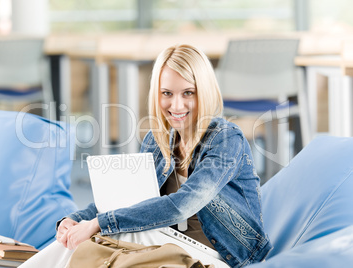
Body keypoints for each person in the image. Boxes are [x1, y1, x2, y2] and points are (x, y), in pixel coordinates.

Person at [20, 44, 272, 268]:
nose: (176, 106)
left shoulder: (226, 139)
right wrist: (75, 220)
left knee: (116, 232)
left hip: (227, 255)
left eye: (188, 93)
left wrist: (98, 223)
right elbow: (124, 201)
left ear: (204, 92)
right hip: (169, 243)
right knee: (98, 235)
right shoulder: (157, 139)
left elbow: (182, 205)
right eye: (167, 94)